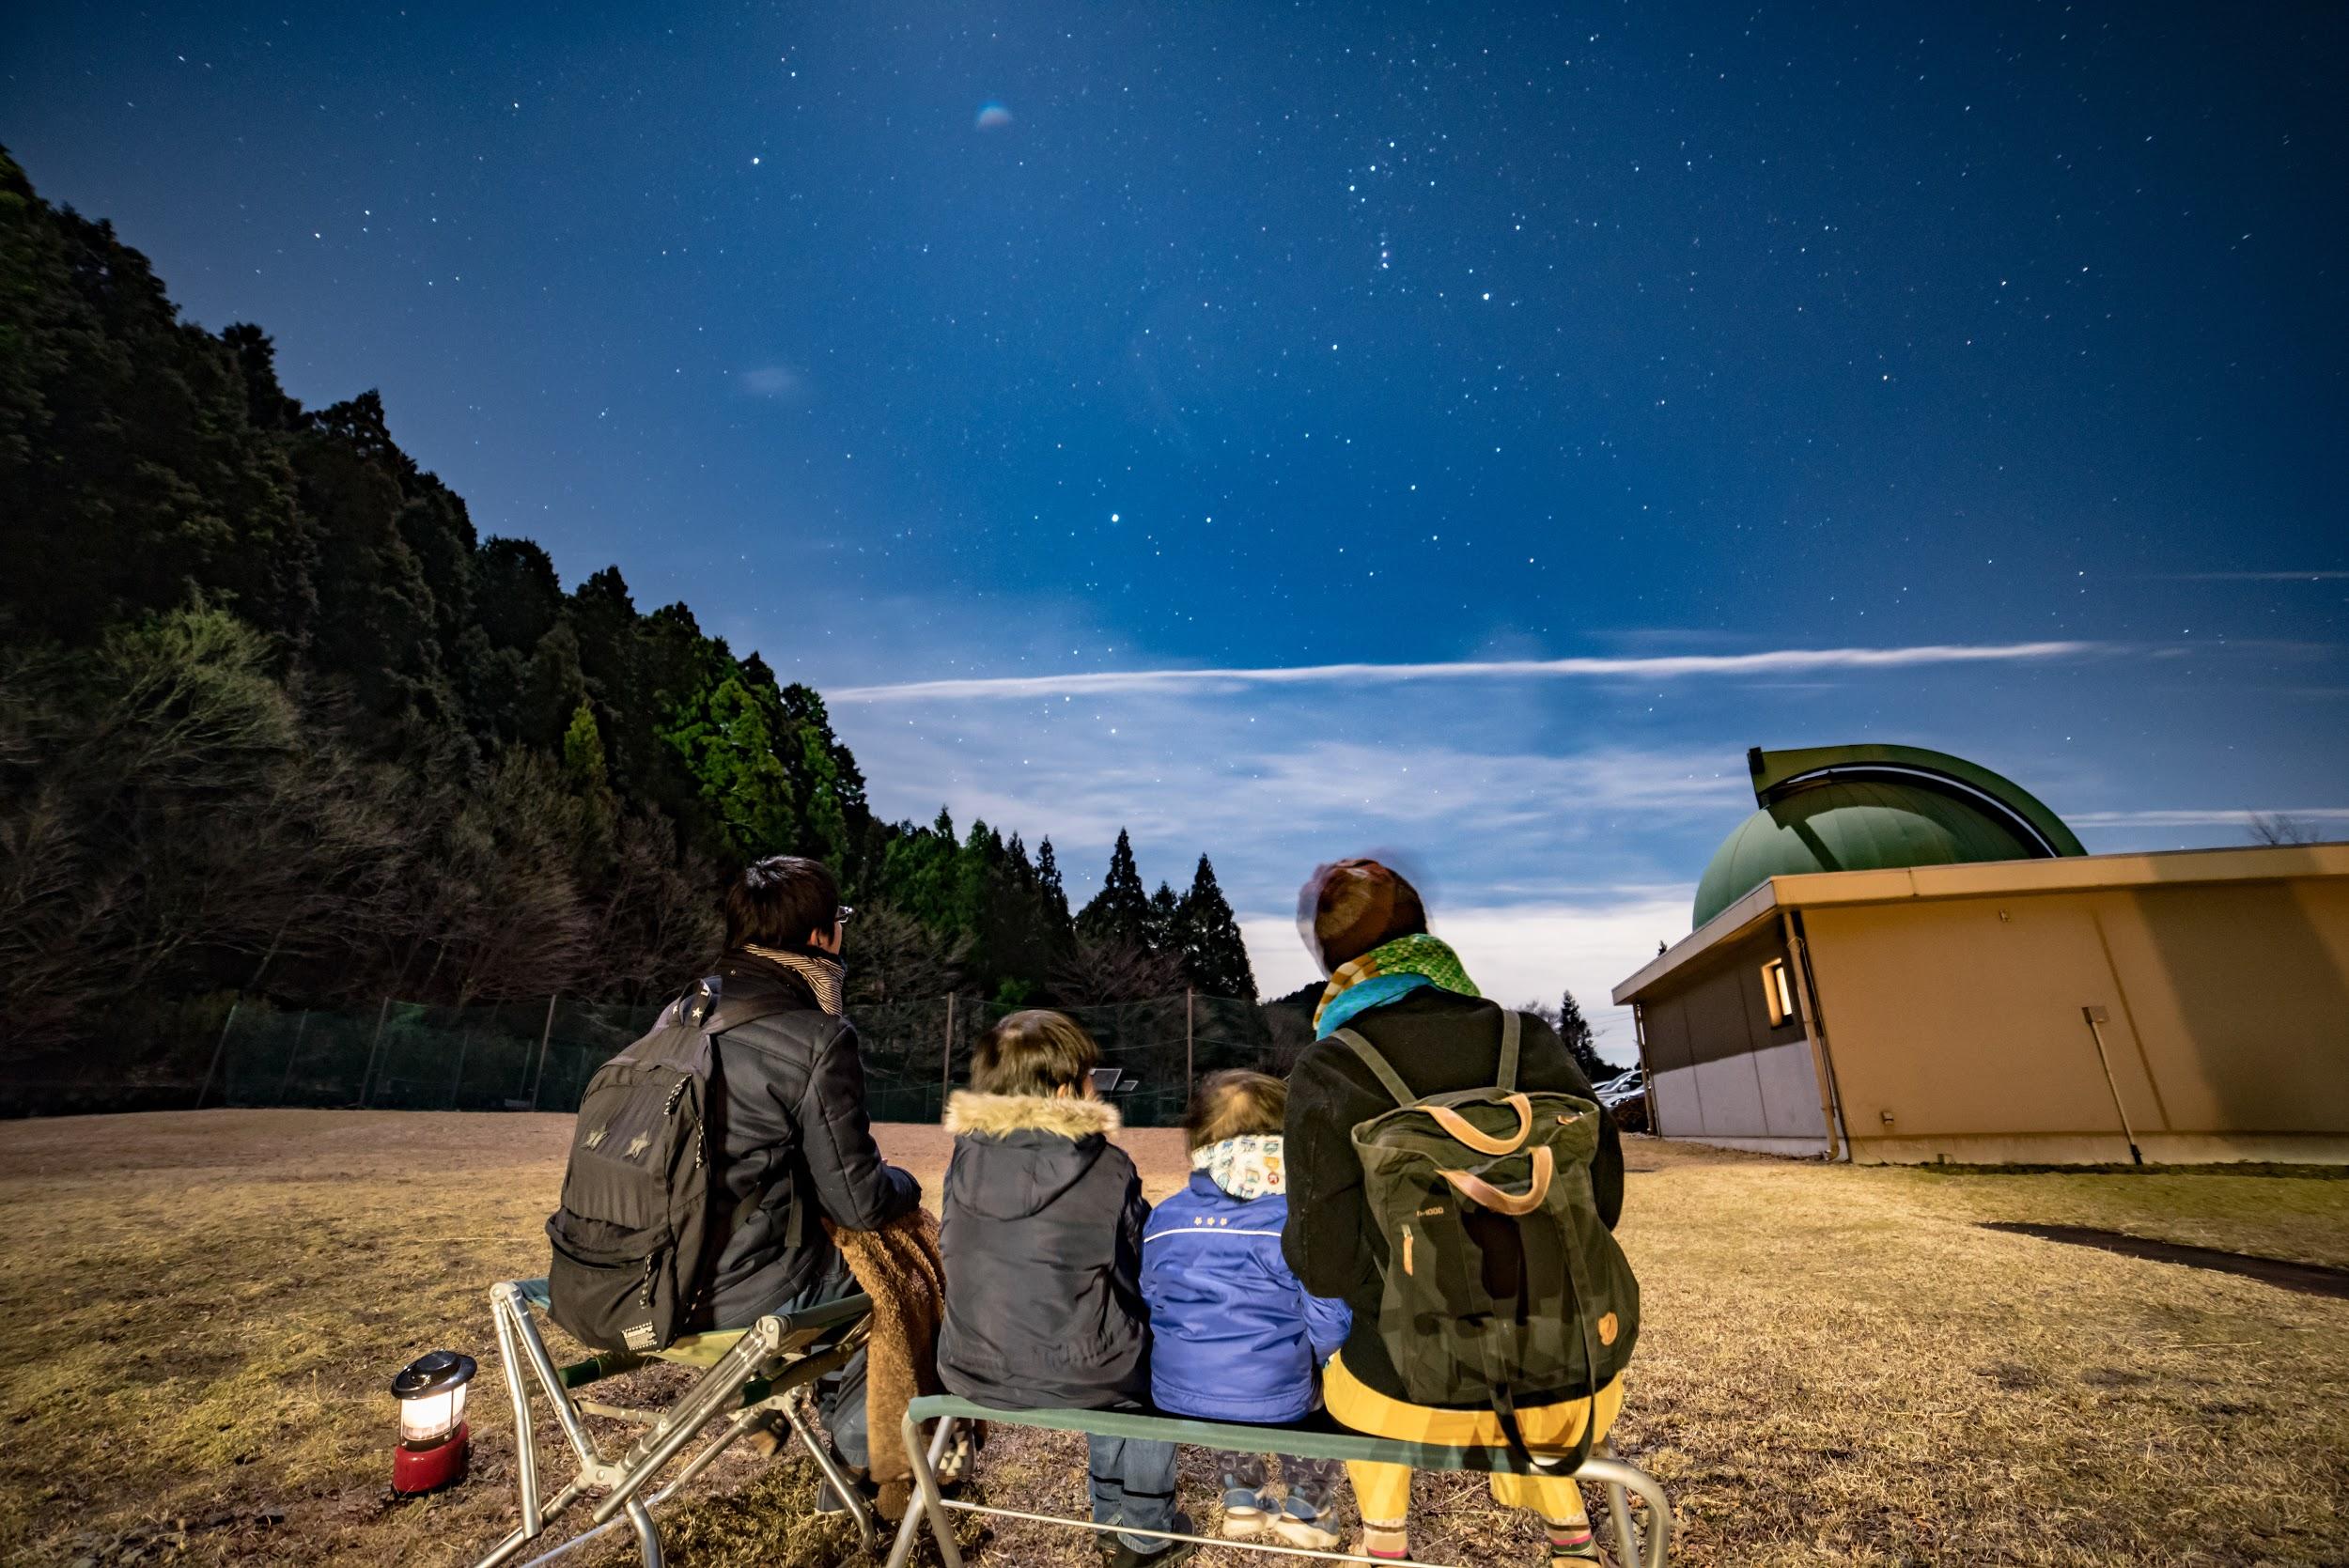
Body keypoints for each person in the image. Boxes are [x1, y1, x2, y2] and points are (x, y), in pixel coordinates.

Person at [1282, 859, 1628, 1567]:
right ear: (1423, 933)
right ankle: (1570, 1535)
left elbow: (1324, 1266)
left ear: (1331, 960)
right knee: (1520, 1346)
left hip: (1411, 1394)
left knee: (1361, 1360)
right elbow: (1606, 1202)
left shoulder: (1331, 1067)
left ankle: (1387, 1543)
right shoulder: (1526, 1038)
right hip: (1575, 1373)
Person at [936, 1011, 1193, 1567]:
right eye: (1087, 1078)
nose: (1093, 1088)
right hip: (1078, 1374)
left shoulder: (964, 1158)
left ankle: (1109, 1515)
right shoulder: (1106, 1166)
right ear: (1061, 1091)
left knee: (1099, 1328)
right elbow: (1138, 1270)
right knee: (1155, 1352)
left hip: (968, 1364)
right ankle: (1143, 1532)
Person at [697, 855, 921, 1494]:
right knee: (895, 1262)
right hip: (734, 1294)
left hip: (632, 1276)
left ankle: (767, 1399)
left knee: (817, 1248)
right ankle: (861, 1449)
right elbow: (861, 1200)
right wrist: (909, 1186)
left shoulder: (678, 1014)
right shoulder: (814, 1036)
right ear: (822, 935)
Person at [1142, 1070, 1352, 1551]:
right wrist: (1316, 1359)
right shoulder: (1294, 1219)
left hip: (1181, 1391)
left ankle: (1242, 1499)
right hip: (1276, 1395)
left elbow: (1151, 1292)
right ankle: (1308, 1509)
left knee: (1229, 1371)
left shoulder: (1166, 1215)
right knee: (1309, 1396)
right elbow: (1330, 1319)